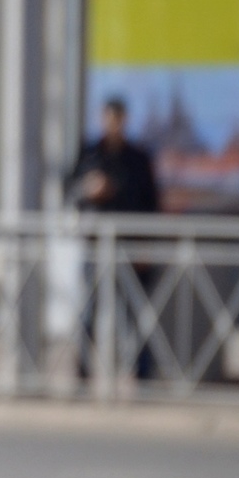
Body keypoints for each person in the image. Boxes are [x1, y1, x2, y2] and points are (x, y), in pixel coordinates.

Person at [67, 96, 161, 381]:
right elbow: (70, 190)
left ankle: (141, 373)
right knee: (88, 311)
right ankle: (83, 372)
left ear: (124, 121)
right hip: (95, 245)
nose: (113, 125)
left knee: (133, 312)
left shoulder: (138, 158)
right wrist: (88, 190)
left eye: (117, 120)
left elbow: (150, 204)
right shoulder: (91, 153)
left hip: (129, 245)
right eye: (108, 119)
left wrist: (146, 245)